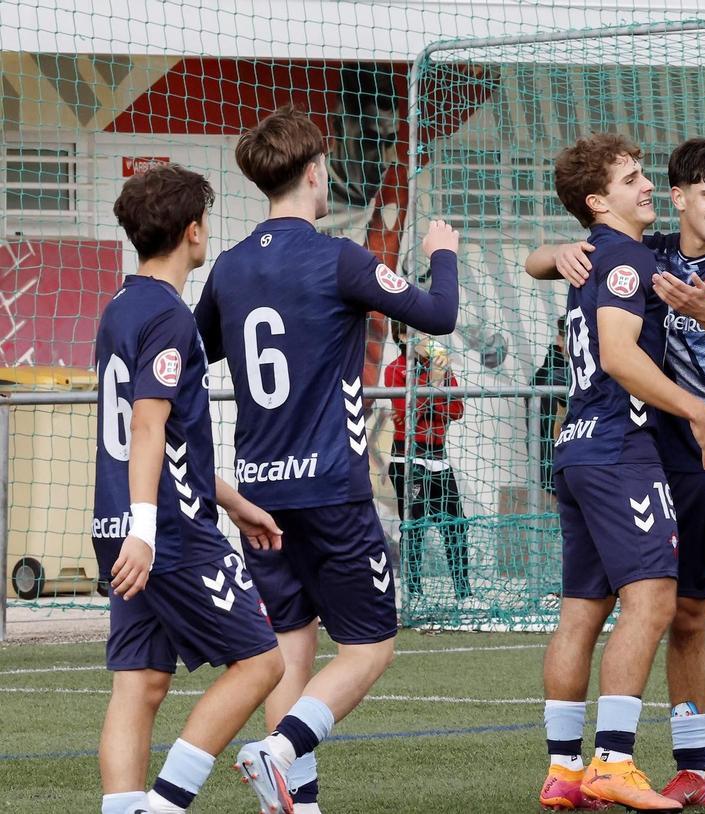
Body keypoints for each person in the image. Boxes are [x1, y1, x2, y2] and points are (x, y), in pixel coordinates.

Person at [194, 106, 459, 814]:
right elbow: (439, 316)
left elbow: (200, 354)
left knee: (288, 646)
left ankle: (295, 801)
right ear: (316, 173)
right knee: (370, 647)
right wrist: (442, 253)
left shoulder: (230, 268)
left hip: (258, 492)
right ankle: (278, 755)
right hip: (331, 489)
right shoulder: (339, 257)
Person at [527, 138, 705, 809]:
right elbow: (616, 353)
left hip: (610, 448)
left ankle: (566, 770)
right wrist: (697, 410)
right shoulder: (638, 255)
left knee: (593, 609)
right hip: (633, 452)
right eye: (633, 178)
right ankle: (618, 760)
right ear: (678, 197)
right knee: (661, 606)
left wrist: (562, 252)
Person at [93, 163, 285, 813]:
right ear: (194, 232)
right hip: (165, 532)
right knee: (263, 663)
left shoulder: (121, 306)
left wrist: (232, 501)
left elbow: (168, 437)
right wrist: (149, 532)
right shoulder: (171, 318)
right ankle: (166, 804)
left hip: (121, 524)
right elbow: (148, 426)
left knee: (141, 683)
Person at [384, 320, 473, 606]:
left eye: (425, 332)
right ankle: (415, 593)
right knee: (414, 529)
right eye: (415, 333)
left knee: (456, 526)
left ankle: (463, 592)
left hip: (439, 458)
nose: (424, 337)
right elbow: (407, 414)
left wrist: (435, 384)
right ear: (400, 336)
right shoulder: (395, 369)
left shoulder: (441, 365)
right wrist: (434, 386)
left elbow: (456, 409)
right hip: (408, 459)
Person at [531, 315, 570, 498]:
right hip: (566, 470)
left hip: (555, 471)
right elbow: (555, 432)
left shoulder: (545, 376)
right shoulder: (554, 378)